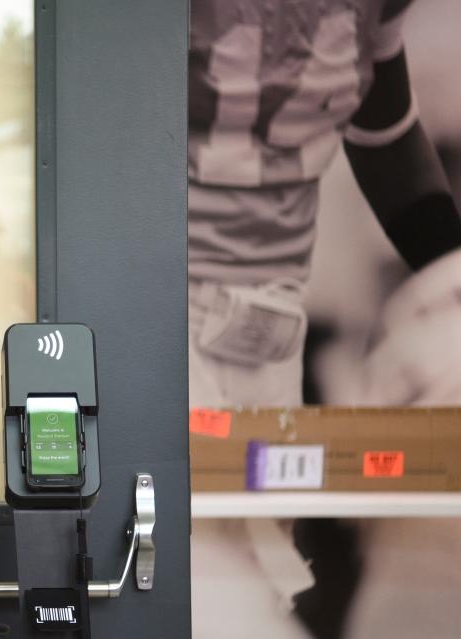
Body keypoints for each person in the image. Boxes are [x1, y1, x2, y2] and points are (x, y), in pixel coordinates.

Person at [187, 1, 461, 637]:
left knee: (257, 564)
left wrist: (449, 271)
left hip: (274, 324)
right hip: (156, 304)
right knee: (198, 578)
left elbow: (385, 129)